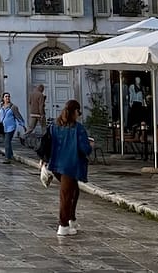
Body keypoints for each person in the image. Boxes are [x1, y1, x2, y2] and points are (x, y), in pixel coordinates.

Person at [47, 99, 94, 236]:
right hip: (70, 165)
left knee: (74, 192)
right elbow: (84, 148)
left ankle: (71, 219)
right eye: (78, 111)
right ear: (74, 111)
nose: (79, 114)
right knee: (66, 195)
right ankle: (63, 225)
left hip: (56, 164)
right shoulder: (77, 128)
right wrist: (90, 146)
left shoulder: (55, 126)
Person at [0, 92, 25, 163]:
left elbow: (18, 116)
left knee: (7, 142)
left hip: (11, 127)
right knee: (7, 142)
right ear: (3, 98)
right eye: (6, 96)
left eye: (8, 96)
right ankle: (11, 155)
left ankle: (7, 158)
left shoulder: (13, 107)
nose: (7, 98)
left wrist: (22, 124)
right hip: (2, 127)